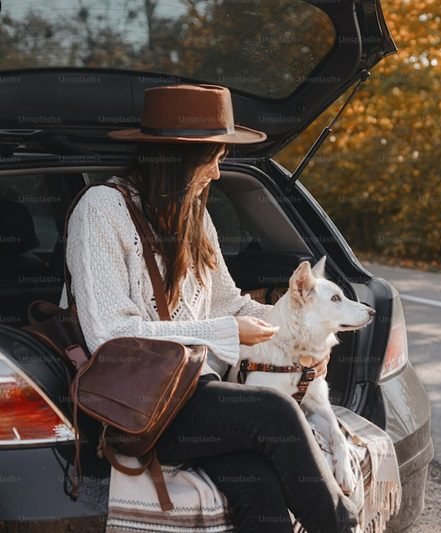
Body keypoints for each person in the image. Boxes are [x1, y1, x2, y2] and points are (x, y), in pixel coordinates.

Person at [60, 84, 360, 532]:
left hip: (194, 391)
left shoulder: (195, 217)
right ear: (180, 159)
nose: (218, 174)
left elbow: (228, 302)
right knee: (275, 413)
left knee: (260, 491)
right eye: (214, 159)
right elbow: (111, 336)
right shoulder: (101, 210)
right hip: (135, 407)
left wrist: (300, 335)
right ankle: (345, 525)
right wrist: (226, 333)